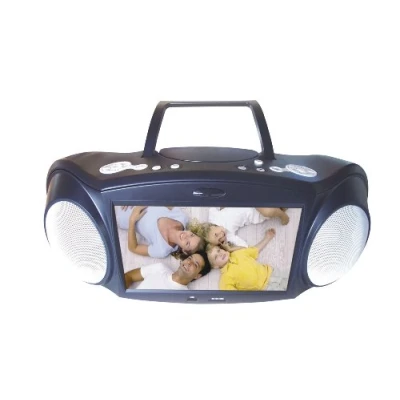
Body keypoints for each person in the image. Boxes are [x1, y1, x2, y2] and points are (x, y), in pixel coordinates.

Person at [115, 206, 205, 258]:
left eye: (187, 243)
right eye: (191, 235)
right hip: (132, 195)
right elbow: (161, 197)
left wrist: (132, 220)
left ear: (184, 250)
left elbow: (133, 248)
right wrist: (136, 199)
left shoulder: (162, 250)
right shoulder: (182, 217)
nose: (186, 236)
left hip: (119, 216)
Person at [206, 228, 276, 291]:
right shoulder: (225, 279)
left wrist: (267, 238)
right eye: (216, 257)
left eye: (219, 250)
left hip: (272, 273)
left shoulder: (238, 253)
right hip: (264, 289)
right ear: (215, 266)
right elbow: (235, 297)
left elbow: (255, 250)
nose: (220, 254)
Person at [189, 207, 288, 249]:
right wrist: (229, 249)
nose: (221, 236)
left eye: (216, 234)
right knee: (269, 211)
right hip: (257, 213)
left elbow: (214, 199)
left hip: (247, 198)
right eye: (220, 240)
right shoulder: (229, 236)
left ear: (212, 226)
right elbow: (246, 247)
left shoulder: (213, 216)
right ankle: (283, 216)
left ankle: (281, 209)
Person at [124, 251, 211, 290]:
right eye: (189, 258)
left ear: (197, 276)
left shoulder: (184, 298)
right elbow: (129, 276)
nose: (189, 263)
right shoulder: (160, 268)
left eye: (195, 264)